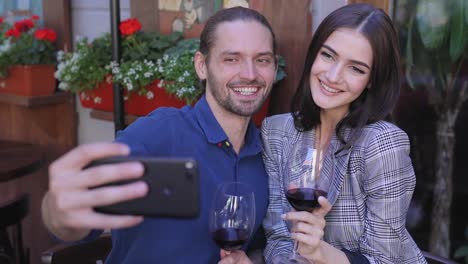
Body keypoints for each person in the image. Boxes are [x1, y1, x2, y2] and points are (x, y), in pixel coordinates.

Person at [41, 6, 278, 263]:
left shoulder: (267, 155)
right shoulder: (157, 134)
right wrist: (58, 210)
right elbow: (75, 217)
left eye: (262, 60)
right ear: (201, 66)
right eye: (231, 59)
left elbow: (258, 246)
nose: (250, 74)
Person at [261, 3, 427, 264]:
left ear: (372, 80)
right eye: (328, 55)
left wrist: (320, 253)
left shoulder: (382, 145)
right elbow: (279, 238)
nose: (333, 76)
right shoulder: (276, 132)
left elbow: (385, 261)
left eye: (356, 68)